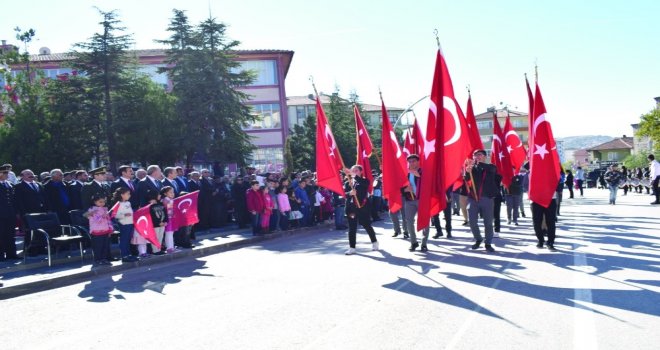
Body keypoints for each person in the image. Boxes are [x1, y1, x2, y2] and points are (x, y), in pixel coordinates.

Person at [465, 149, 500, 253]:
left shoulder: (491, 167)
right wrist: (467, 172)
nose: (476, 156)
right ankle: (478, 239)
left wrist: (477, 162)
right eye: (475, 155)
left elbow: (491, 170)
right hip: (473, 198)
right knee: (472, 222)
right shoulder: (472, 168)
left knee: (488, 223)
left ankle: (488, 242)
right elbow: (467, 180)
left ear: (485, 156)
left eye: (479, 155)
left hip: (487, 199)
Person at [344, 165, 379, 255]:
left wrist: (353, 175)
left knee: (366, 225)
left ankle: (374, 242)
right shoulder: (348, 182)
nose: (354, 172)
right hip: (351, 208)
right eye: (353, 171)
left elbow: (365, 186)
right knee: (352, 228)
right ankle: (352, 247)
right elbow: (343, 194)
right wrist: (349, 193)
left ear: (360, 172)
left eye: (356, 170)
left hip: (362, 207)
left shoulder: (364, 181)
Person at [14, 169, 48, 256]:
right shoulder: (19, 186)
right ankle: (30, 249)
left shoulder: (38, 184)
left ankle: (41, 248)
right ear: (22, 176)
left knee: (40, 230)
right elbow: (19, 201)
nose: (31, 175)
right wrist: (23, 213)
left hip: (40, 212)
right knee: (30, 232)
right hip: (28, 213)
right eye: (28, 174)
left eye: (32, 173)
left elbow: (43, 197)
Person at [403, 154, 430, 252]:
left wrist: (417, 175)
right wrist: (405, 190)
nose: (411, 163)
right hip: (409, 200)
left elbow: (427, 182)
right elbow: (400, 187)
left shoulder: (423, 171)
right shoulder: (405, 173)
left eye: (413, 161)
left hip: (422, 200)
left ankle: (424, 243)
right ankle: (413, 242)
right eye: (409, 161)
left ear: (418, 162)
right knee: (409, 222)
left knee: (425, 222)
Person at [84, 194, 114, 266]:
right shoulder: (91, 210)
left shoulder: (105, 209)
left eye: (104, 202)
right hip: (96, 231)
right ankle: (98, 259)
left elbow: (108, 220)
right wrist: (102, 216)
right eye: (100, 202)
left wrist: (111, 228)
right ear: (95, 202)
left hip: (105, 230)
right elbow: (93, 220)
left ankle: (104, 259)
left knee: (105, 246)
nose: (102, 203)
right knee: (98, 246)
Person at [110, 187, 138, 262]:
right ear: (122, 195)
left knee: (128, 240)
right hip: (124, 224)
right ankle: (124, 256)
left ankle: (129, 254)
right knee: (124, 240)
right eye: (128, 194)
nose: (129, 195)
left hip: (130, 223)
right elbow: (114, 215)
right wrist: (124, 215)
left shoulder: (128, 203)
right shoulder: (118, 204)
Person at [0, 165, 19, 260]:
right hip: (1, 214)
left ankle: (11, 253)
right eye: (5, 173)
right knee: (1, 234)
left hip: (10, 213)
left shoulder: (9, 184)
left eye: (7, 173)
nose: (7, 174)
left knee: (10, 234)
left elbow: (13, 200)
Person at [160, 186, 178, 253]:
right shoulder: (165, 200)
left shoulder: (171, 200)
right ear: (165, 193)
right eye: (170, 192)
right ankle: (169, 247)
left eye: (173, 192)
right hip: (168, 218)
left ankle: (171, 246)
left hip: (172, 218)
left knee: (171, 233)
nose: (172, 193)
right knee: (168, 233)